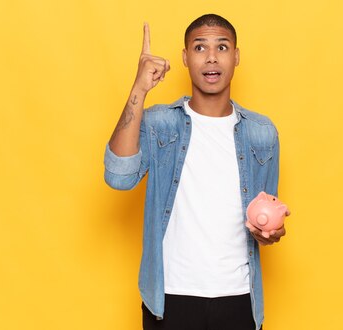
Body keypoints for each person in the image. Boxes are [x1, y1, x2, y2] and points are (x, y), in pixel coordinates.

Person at [104, 14, 289, 330]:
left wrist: (270, 233)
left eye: (222, 46)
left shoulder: (262, 133)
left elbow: (267, 214)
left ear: (236, 56)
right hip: (170, 298)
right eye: (200, 47)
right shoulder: (160, 123)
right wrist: (139, 88)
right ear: (185, 58)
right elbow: (119, 176)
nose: (212, 57)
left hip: (239, 298)